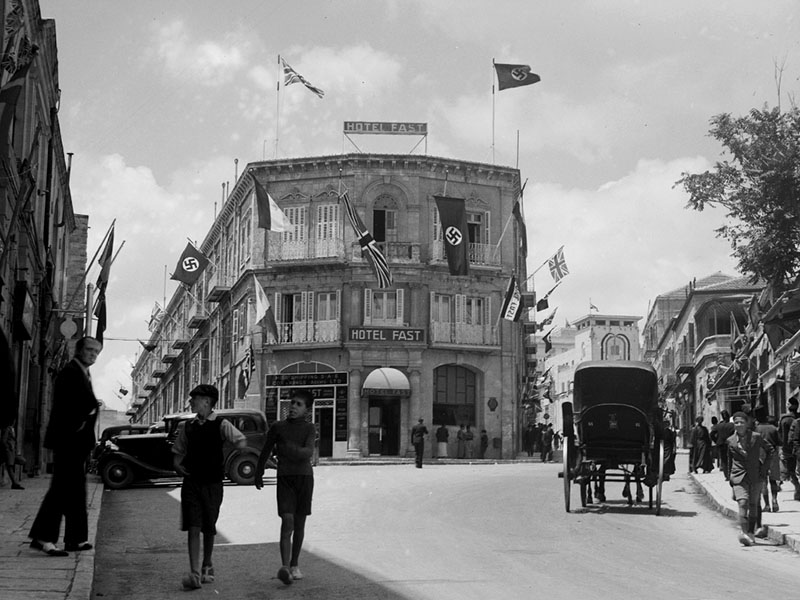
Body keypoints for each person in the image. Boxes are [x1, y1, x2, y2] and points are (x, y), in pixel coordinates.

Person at [29, 336, 103, 557]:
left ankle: (75, 538)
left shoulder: (82, 372)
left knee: (76, 491)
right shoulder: (70, 372)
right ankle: (43, 537)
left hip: (77, 443)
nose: (93, 354)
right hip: (68, 441)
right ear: (79, 350)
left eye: (96, 352)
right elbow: (67, 407)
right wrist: (84, 418)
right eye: (89, 350)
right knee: (61, 490)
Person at [172, 384, 246, 590]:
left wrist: (225, 450)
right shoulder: (188, 426)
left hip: (213, 483)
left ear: (206, 401)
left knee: (209, 526)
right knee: (193, 526)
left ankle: (207, 564)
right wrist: (177, 464)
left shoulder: (221, 424)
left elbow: (240, 441)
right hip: (191, 482)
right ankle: (194, 572)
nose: (191, 402)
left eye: (194, 398)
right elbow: (178, 450)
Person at [255, 389, 316, 586]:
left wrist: (287, 448)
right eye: (292, 403)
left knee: (299, 523)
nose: (293, 407)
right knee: (287, 520)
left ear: (307, 409)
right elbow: (266, 450)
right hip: (285, 478)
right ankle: (285, 567)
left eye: (299, 404)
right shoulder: (278, 427)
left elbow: (307, 452)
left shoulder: (309, 428)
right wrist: (258, 472)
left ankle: (295, 564)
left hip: (304, 478)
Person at [728, 411, 774, 546]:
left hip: (756, 475)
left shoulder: (756, 437)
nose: (739, 425)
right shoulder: (730, 441)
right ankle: (744, 533)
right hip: (738, 476)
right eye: (736, 422)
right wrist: (730, 477)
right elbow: (729, 459)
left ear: (747, 423)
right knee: (743, 502)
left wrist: (764, 468)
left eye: (741, 422)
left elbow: (770, 450)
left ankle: (751, 533)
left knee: (753, 504)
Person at [755, 413, 781, 513]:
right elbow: (780, 442)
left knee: (763, 481)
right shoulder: (773, 428)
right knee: (773, 479)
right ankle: (774, 500)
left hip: (760, 456)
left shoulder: (756, 429)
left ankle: (767, 505)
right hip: (773, 454)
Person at [778, 398, 799, 499]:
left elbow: (782, 435)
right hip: (798, 448)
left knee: (790, 470)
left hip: (788, 449)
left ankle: (797, 487)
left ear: (789, 405)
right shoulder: (798, 418)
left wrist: (782, 447)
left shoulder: (784, 419)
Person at [1, 422, 24, 489]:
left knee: (20, 461)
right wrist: (8, 448)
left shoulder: (12, 429)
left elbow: (13, 441)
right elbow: (3, 440)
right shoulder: (8, 429)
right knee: (10, 467)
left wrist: (15, 450)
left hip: (12, 452)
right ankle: (14, 483)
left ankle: (14, 483)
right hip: (8, 452)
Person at [713, 410, 735, 480]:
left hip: (721, 444)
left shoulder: (719, 426)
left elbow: (711, 434)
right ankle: (730, 473)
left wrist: (716, 440)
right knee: (731, 459)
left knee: (724, 460)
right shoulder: (732, 425)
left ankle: (726, 475)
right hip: (730, 443)